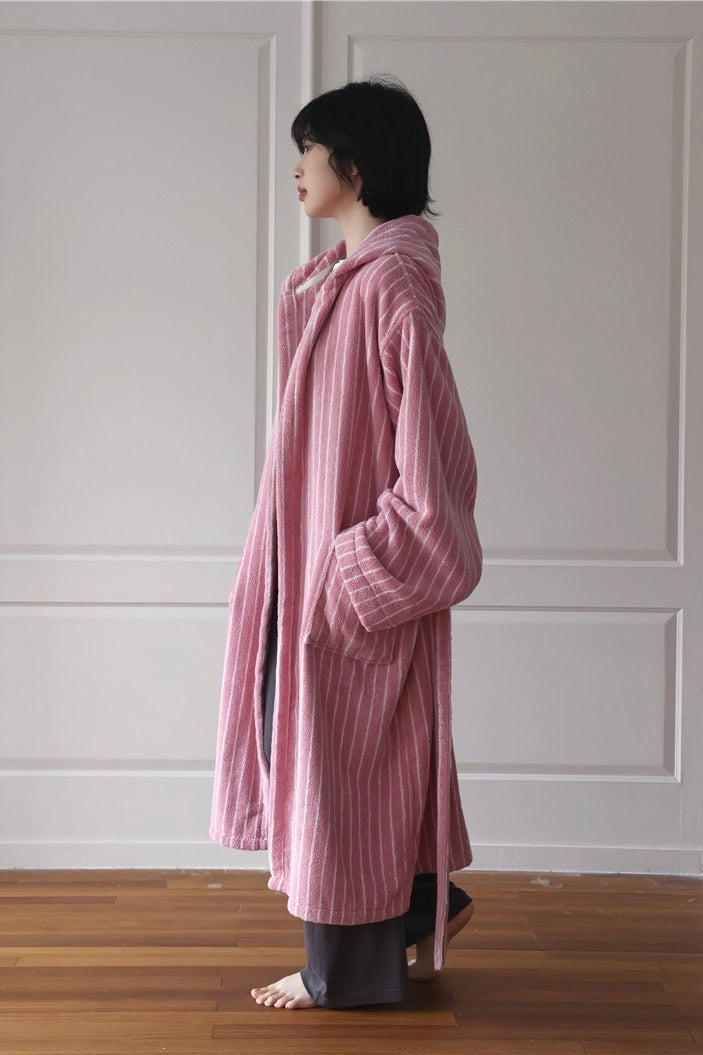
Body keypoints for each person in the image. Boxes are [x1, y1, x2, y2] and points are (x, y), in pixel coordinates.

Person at [210, 76, 483, 1010]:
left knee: (341, 771)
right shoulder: (344, 284)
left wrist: (348, 570)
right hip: (305, 569)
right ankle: (421, 905)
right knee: (336, 760)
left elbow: (435, 482)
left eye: (310, 149)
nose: (297, 168)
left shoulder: (390, 287)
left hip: (346, 578)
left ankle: (346, 972)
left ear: (355, 166)